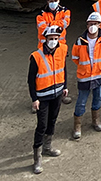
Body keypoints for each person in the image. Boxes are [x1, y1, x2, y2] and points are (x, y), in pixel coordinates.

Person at [29, 25, 68, 174]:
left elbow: (63, 68)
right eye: (51, 39)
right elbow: (31, 80)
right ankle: (37, 157)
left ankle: (47, 147)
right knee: (42, 125)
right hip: (42, 97)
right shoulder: (36, 56)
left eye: (56, 39)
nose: (53, 41)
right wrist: (34, 98)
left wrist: (64, 86)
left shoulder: (62, 50)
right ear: (45, 40)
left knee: (52, 120)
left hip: (57, 94)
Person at [71, 12, 101, 139]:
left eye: (95, 24)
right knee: (81, 102)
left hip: (99, 75)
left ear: (99, 25)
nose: (92, 26)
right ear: (87, 25)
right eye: (90, 24)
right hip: (85, 76)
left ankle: (96, 120)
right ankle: (77, 126)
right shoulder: (80, 40)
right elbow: (75, 57)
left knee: (98, 98)